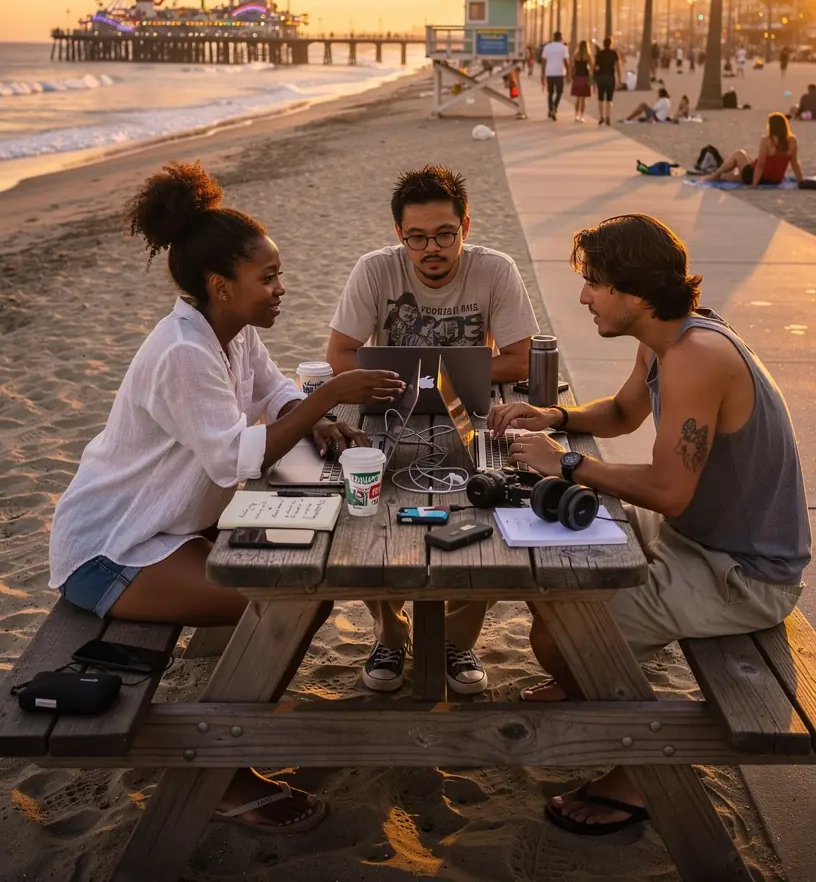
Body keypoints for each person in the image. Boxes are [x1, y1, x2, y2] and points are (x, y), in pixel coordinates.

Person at [48, 162, 404, 835]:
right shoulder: (183, 351)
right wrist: (328, 396)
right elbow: (230, 455)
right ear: (221, 286)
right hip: (111, 549)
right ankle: (222, 775)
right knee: (289, 598)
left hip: (168, 531)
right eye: (267, 278)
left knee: (303, 583)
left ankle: (231, 721)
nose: (280, 288)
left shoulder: (229, 332)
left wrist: (315, 416)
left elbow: (273, 394)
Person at [489, 213, 810, 835]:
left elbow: (670, 491)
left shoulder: (698, 356)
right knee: (545, 569)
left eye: (594, 283)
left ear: (634, 292)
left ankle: (641, 767)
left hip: (743, 575)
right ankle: (587, 683)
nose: (583, 296)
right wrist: (552, 416)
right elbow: (619, 414)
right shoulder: (666, 338)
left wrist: (568, 463)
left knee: (561, 635)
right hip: (693, 543)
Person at [326, 165, 538, 695]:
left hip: (472, 413)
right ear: (400, 235)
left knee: (484, 513)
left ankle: (455, 638)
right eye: (417, 237)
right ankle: (391, 635)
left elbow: (524, 360)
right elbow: (338, 353)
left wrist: (438, 368)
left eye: (445, 234)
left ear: (466, 224)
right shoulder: (375, 270)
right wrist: (435, 365)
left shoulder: (495, 270)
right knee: (370, 516)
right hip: (390, 411)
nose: (432, 248)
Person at [704, 112, 804, 187]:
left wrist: (754, 184)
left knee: (739, 154)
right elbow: (795, 164)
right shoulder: (792, 141)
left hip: (757, 177)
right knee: (735, 177)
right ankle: (719, 176)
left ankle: (716, 174)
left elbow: (761, 164)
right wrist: (800, 181)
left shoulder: (766, 141)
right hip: (774, 179)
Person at [540, 30, 571, 120]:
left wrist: (543, 74)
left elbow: (544, 62)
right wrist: (568, 74)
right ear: (561, 38)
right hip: (559, 73)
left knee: (550, 93)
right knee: (559, 92)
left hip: (549, 72)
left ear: (553, 37)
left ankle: (551, 109)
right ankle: (555, 107)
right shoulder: (563, 48)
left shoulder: (547, 47)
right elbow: (566, 62)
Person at [593, 36, 621, 126]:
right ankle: (608, 117)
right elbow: (617, 67)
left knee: (600, 98)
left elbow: (595, 67)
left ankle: (601, 117)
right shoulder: (614, 54)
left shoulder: (599, 54)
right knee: (609, 99)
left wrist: (594, 79)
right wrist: (619, 79)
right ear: (611, 44)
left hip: (601, 77)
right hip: (610, 77)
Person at [570, 39, 593, 122]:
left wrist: (571, 76)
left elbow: (572, 67)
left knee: (577, 98)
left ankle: (576, 115)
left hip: (577, 77)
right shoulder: (588, 56)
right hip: (585, 77)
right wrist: (592, 80)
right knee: (583, 99)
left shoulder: (576, 55)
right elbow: (592, 68)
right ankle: (581, 116)